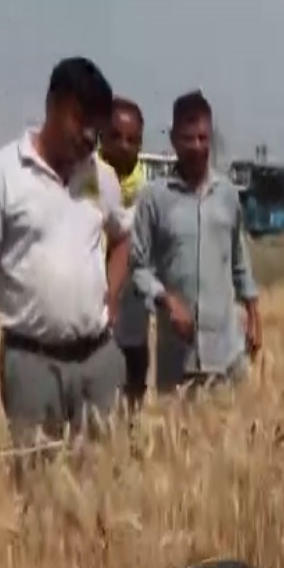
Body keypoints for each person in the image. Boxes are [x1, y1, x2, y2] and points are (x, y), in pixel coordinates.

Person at [0, 57, 129, 447]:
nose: (89, 137)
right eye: (80, 122)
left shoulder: (101, 178)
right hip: (32, 363)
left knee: (106, 483)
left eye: (97, 130)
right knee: (38, 488)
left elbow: (122, 238)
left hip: (98, 359)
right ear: (52, 106)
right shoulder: (1, 174)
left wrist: (112, 298)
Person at [129, 90, 261, 395]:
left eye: (203, 138)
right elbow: (138, 268)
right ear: (174, 139)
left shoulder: (227, 195)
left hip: (228, 355)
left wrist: (254, 314)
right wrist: (167, 299)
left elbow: (239, 262)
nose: (197, 147)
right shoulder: (154, 198)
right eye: (188, 138)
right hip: (178, 360)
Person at [98, 97, 152, 407]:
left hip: (132, 323)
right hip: (90, 323)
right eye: (115, 136)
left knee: (132, 410)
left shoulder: (147, 194)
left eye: (132, 140)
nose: (124, 146)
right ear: (101, 136)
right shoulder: (84, 181)